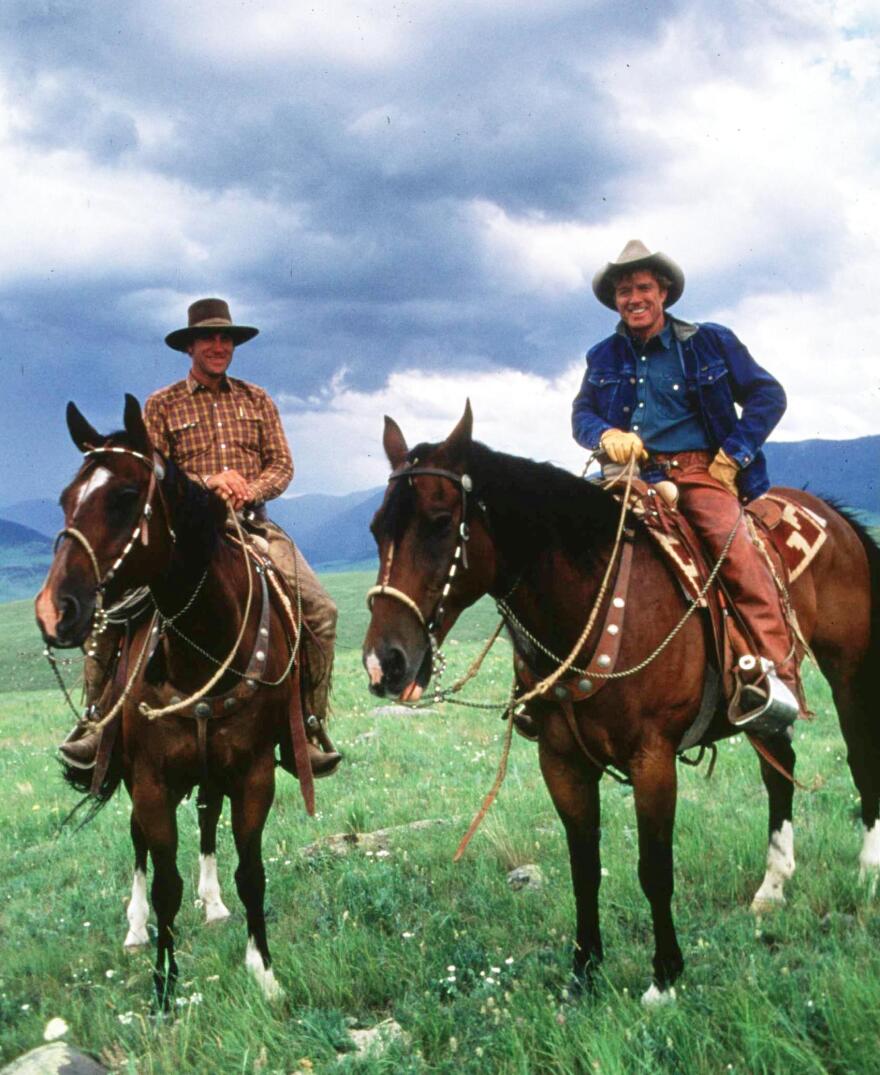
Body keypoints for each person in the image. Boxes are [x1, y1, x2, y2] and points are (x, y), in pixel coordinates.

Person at [60, 298, 341, 776]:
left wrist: (247, 488)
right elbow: (152, 474)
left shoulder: (257, 400)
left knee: (321, 611)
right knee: (113, 612)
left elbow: (283, 464)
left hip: (251, 526)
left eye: (225, 337)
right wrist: (205, 486)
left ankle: (309, 727)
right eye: (208, 338)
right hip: (184, 537)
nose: (218, 345)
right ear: (189, 346)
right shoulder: (162, 404)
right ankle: (95, 721)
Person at [570, 239, 802, 731]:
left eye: (643, 288)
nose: (633, 298)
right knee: (562, 543)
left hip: (699, 473)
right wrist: (606, 434)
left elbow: (768, 395)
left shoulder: (709, 342)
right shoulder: (603, 356)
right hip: (628, 474)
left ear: (664, 291)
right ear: (615, 299)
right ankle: (546, 687)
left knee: (736, 552)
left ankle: (775, 680)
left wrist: (732, 456)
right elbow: (582, 415)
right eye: (624, 291)